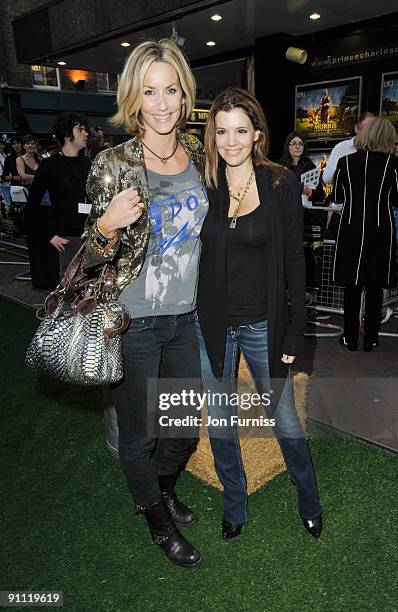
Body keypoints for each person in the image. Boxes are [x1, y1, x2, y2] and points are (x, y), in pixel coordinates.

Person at [82, 39, 207, 568]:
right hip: (131, 321)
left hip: (187, 317)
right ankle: (158, 523)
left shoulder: (198, 151)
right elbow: (87, 253)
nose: (162, 104)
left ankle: (159, 488)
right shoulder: (112, 163)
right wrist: (107, 225)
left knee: (180, 427)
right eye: (150, 91)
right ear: (134, 97)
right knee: (141, 432)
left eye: (171, 90)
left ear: (184, 93)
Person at [196, 87, 322, 541]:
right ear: (213, 135)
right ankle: (235, 502)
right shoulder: (204, 182)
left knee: (284, 417)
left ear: (257, 135)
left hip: (263, 324)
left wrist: (295, 333)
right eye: (222, 131)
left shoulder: (280, 183)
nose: (230, 141)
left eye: (240, 131)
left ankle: (309, 499)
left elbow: (294, 260)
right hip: (211, 323)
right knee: (222, 422)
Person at [333, 117, 398, 351]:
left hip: (351, 228)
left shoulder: (346, 162)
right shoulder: (393, 164)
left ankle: (350, 338)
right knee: (375, 286)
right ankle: (371, 339)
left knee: (352, 286)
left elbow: (337, 197)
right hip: (381, 230)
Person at [27, 112, 91, 276]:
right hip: (67, 239)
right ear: (68, 134)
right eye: (80, 130)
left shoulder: (88, 163)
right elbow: (32, 205)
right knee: (70, 291)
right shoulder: (50, 165)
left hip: (91, 235)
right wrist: (50, 235)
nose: (86, 133)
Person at [322, 111, 375, 185]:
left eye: (374, 129)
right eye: (366, 128)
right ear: (356, 128)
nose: (370, 133)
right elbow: (327, 178)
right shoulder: (341, 148)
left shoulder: (380, 149)